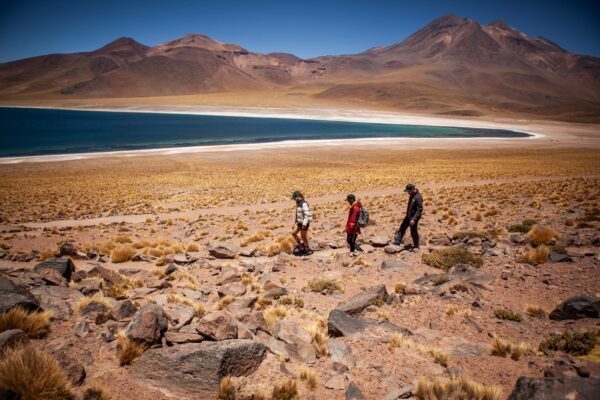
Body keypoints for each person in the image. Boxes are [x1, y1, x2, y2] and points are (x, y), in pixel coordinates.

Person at [393, 183, 423, 250]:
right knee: (402, 228)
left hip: (413, 218)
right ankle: (398, 242)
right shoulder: (412, 195)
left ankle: (416, 245)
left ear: (413, 189)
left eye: (408, 191)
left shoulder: (418, 197)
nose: (408, 193)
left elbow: (419, 210)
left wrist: (414, 219)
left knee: (413, 231)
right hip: (408, 216)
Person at [291, 190, 313, 255]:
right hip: (300, 223)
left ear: (298, 196)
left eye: (295, 198)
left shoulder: (304, 203)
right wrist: (295, 222)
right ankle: (300, 245)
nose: (294, 200)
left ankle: (307, 249)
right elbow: (298, 214)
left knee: (303, 237)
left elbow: (307, 214)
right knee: (293, 233)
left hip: (304, 223)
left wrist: (304, 224)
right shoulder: (298, 203)